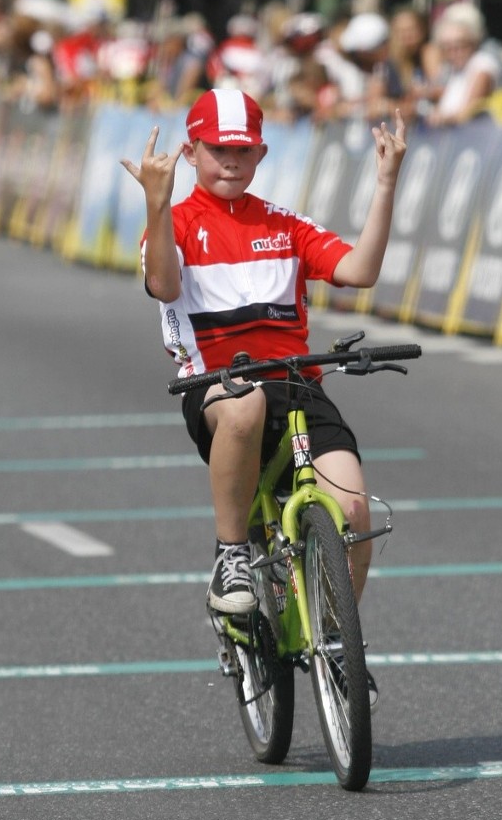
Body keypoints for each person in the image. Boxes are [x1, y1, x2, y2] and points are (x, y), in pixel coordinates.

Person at [121, 87, 406, 705]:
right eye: (219, 149)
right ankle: (230, 556)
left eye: (244, 150)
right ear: (192, 151)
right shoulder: (174, 224)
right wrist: (156, 202)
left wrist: (385, 183)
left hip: (297, 385)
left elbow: (359, 271)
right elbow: (164, 283)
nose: (231, 161)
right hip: (218, 392)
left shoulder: (284, 223)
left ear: (261, 152)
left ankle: (335, 642)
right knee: (245, 401)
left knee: (355, 512)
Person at [428, 1, 502, 128]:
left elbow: (469, 111)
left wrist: (443, 119)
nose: (454, 53)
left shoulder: (483, 64)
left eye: (460, 45)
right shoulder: (454, 68)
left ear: (474, 41)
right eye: (447, 47)